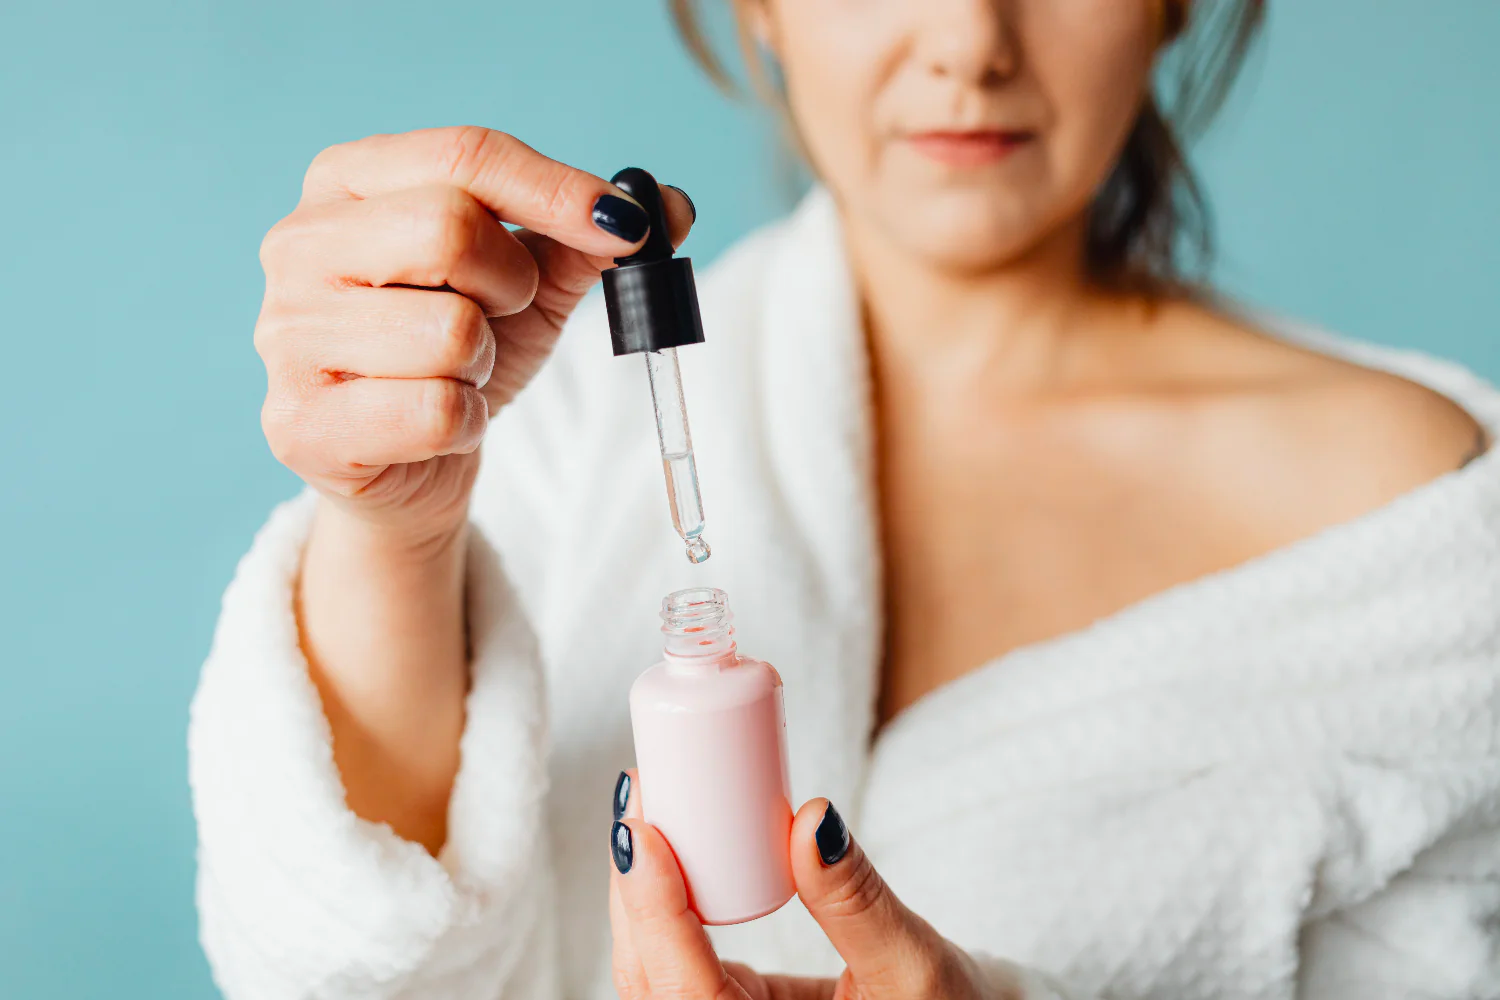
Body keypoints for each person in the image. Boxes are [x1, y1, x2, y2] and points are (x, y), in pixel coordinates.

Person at [189, 1, 1500, 997]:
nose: (971, 40)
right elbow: (346, 965)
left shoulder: (1412, 521)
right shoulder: (553, 415)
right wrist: (394, 538)